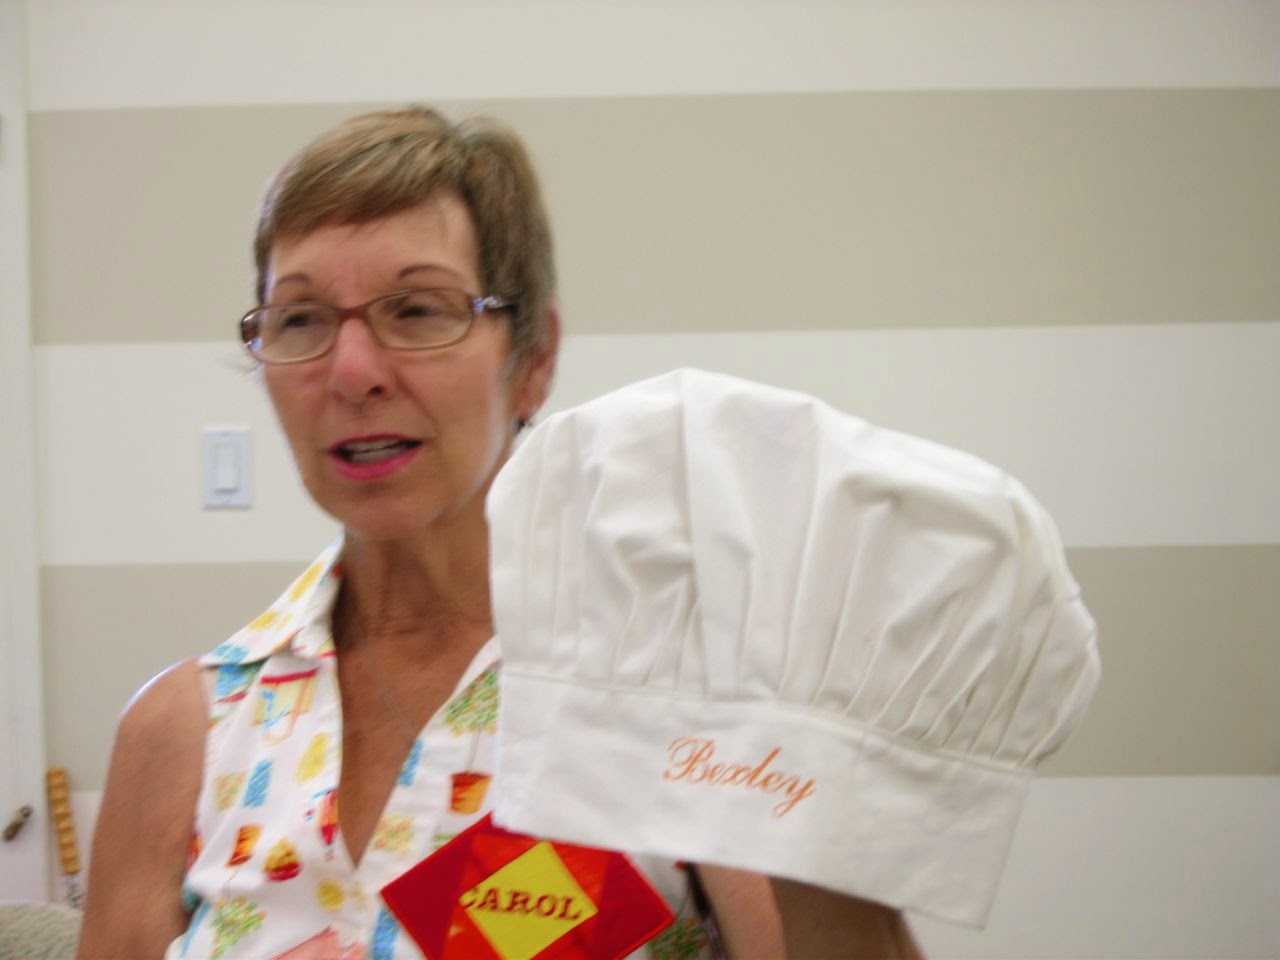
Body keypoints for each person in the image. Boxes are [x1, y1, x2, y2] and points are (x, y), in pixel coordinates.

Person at [76, 106, 921, 959]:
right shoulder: (183, 733)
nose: (353, 372)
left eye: (417, 310)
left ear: (533, 359)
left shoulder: (689, 686)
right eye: (300, 320)